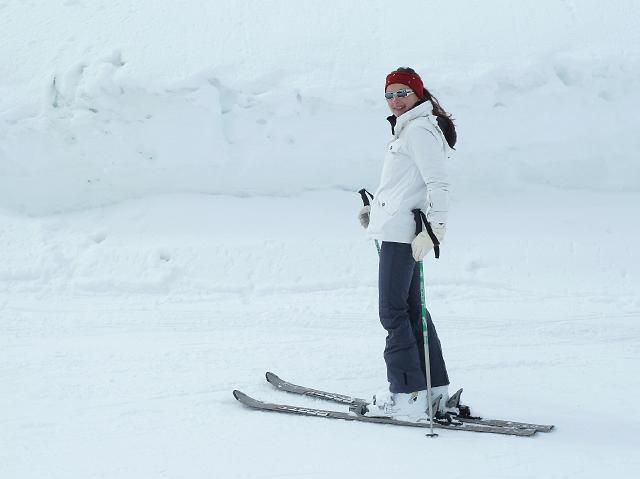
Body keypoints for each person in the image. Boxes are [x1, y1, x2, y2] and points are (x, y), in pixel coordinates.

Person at [359, 67, 457, 420]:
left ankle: (407, 395)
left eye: (403, 92)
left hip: (404, 236)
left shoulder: (418, 130)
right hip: (397, 229)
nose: (396, 100)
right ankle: (434, 390)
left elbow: (438, 184)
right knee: (412, 310)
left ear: (418, 93)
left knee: (392, 312)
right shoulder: (409, 130)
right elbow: (405, 187)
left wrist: (436, 230)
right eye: (390, 94)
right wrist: (376, 213)